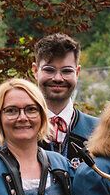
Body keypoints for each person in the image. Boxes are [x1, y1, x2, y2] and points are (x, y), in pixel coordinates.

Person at [34, 33, 95, 162]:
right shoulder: (10, 130)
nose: (57, 78)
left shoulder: (99, 131)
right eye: (49, 70)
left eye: (66, 71)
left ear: (77, 73)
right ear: (35, 71)